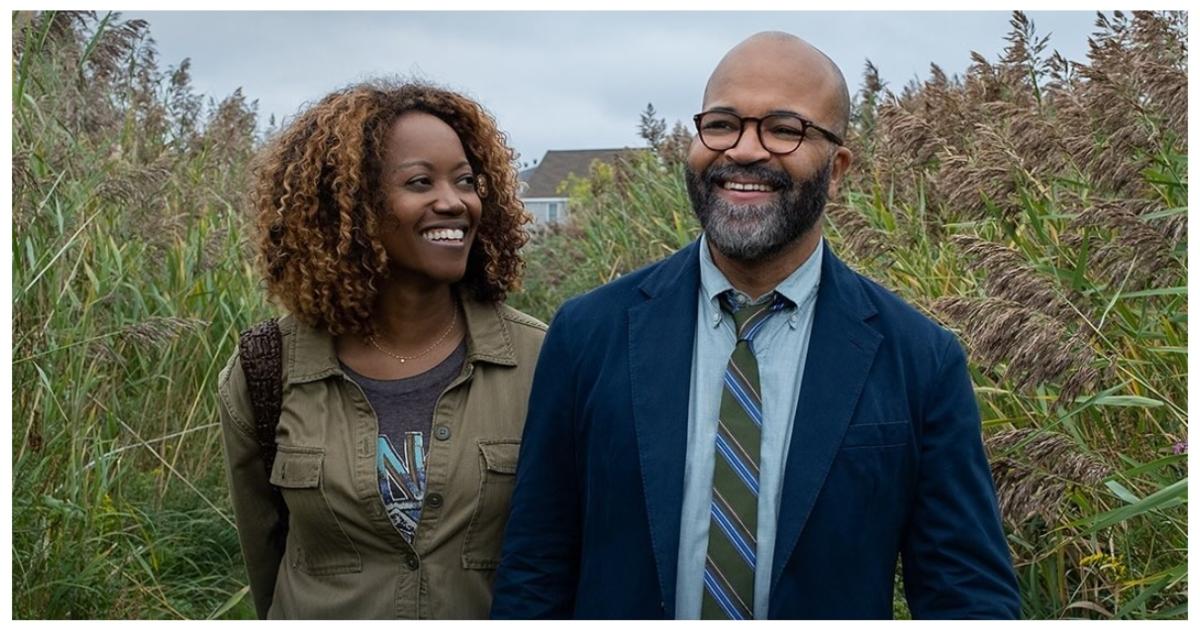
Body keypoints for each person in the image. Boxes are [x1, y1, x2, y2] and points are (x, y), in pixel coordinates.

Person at [491, 32, 1020, 620]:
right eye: (722, 124)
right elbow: (536, 567)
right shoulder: (588, 335)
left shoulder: (919, 359)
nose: (743, 151)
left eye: (784, 129)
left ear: (838, 167)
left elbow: (966, 594)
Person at [217, 80, 545, 619]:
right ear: (347, 206)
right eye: (420, 182)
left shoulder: (541, 361)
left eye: (465, 181)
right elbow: (266, 557)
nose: (453, 202)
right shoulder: (267, 369)